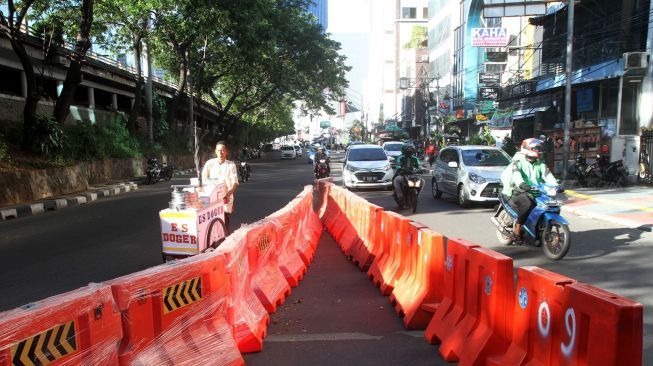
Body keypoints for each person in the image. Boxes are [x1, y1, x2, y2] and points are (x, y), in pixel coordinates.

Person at [500, 138, 558, 243]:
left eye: (540, 149)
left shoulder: (540, 164)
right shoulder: (518, 162)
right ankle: (517, 229)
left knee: (551, 203)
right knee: (527, 204)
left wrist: (556, 186)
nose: (539, 151)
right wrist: (522, 184)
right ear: (527, 149)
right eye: (537, 148)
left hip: (535, 190)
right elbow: (516, 175)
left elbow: (548, 176)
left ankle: (540, 228)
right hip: (517, 190)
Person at [201, 141, 239, 234]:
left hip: (225, 200)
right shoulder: (209, 164)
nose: (220, 153)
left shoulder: (231, 165)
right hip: (212, 200)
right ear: (215, 151)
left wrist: (228, 195)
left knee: (224, 223)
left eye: (222, 150)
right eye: (218, 150)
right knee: (211, 225)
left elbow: (235, 183)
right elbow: (203, 180)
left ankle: (224, 243)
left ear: (226, 151)